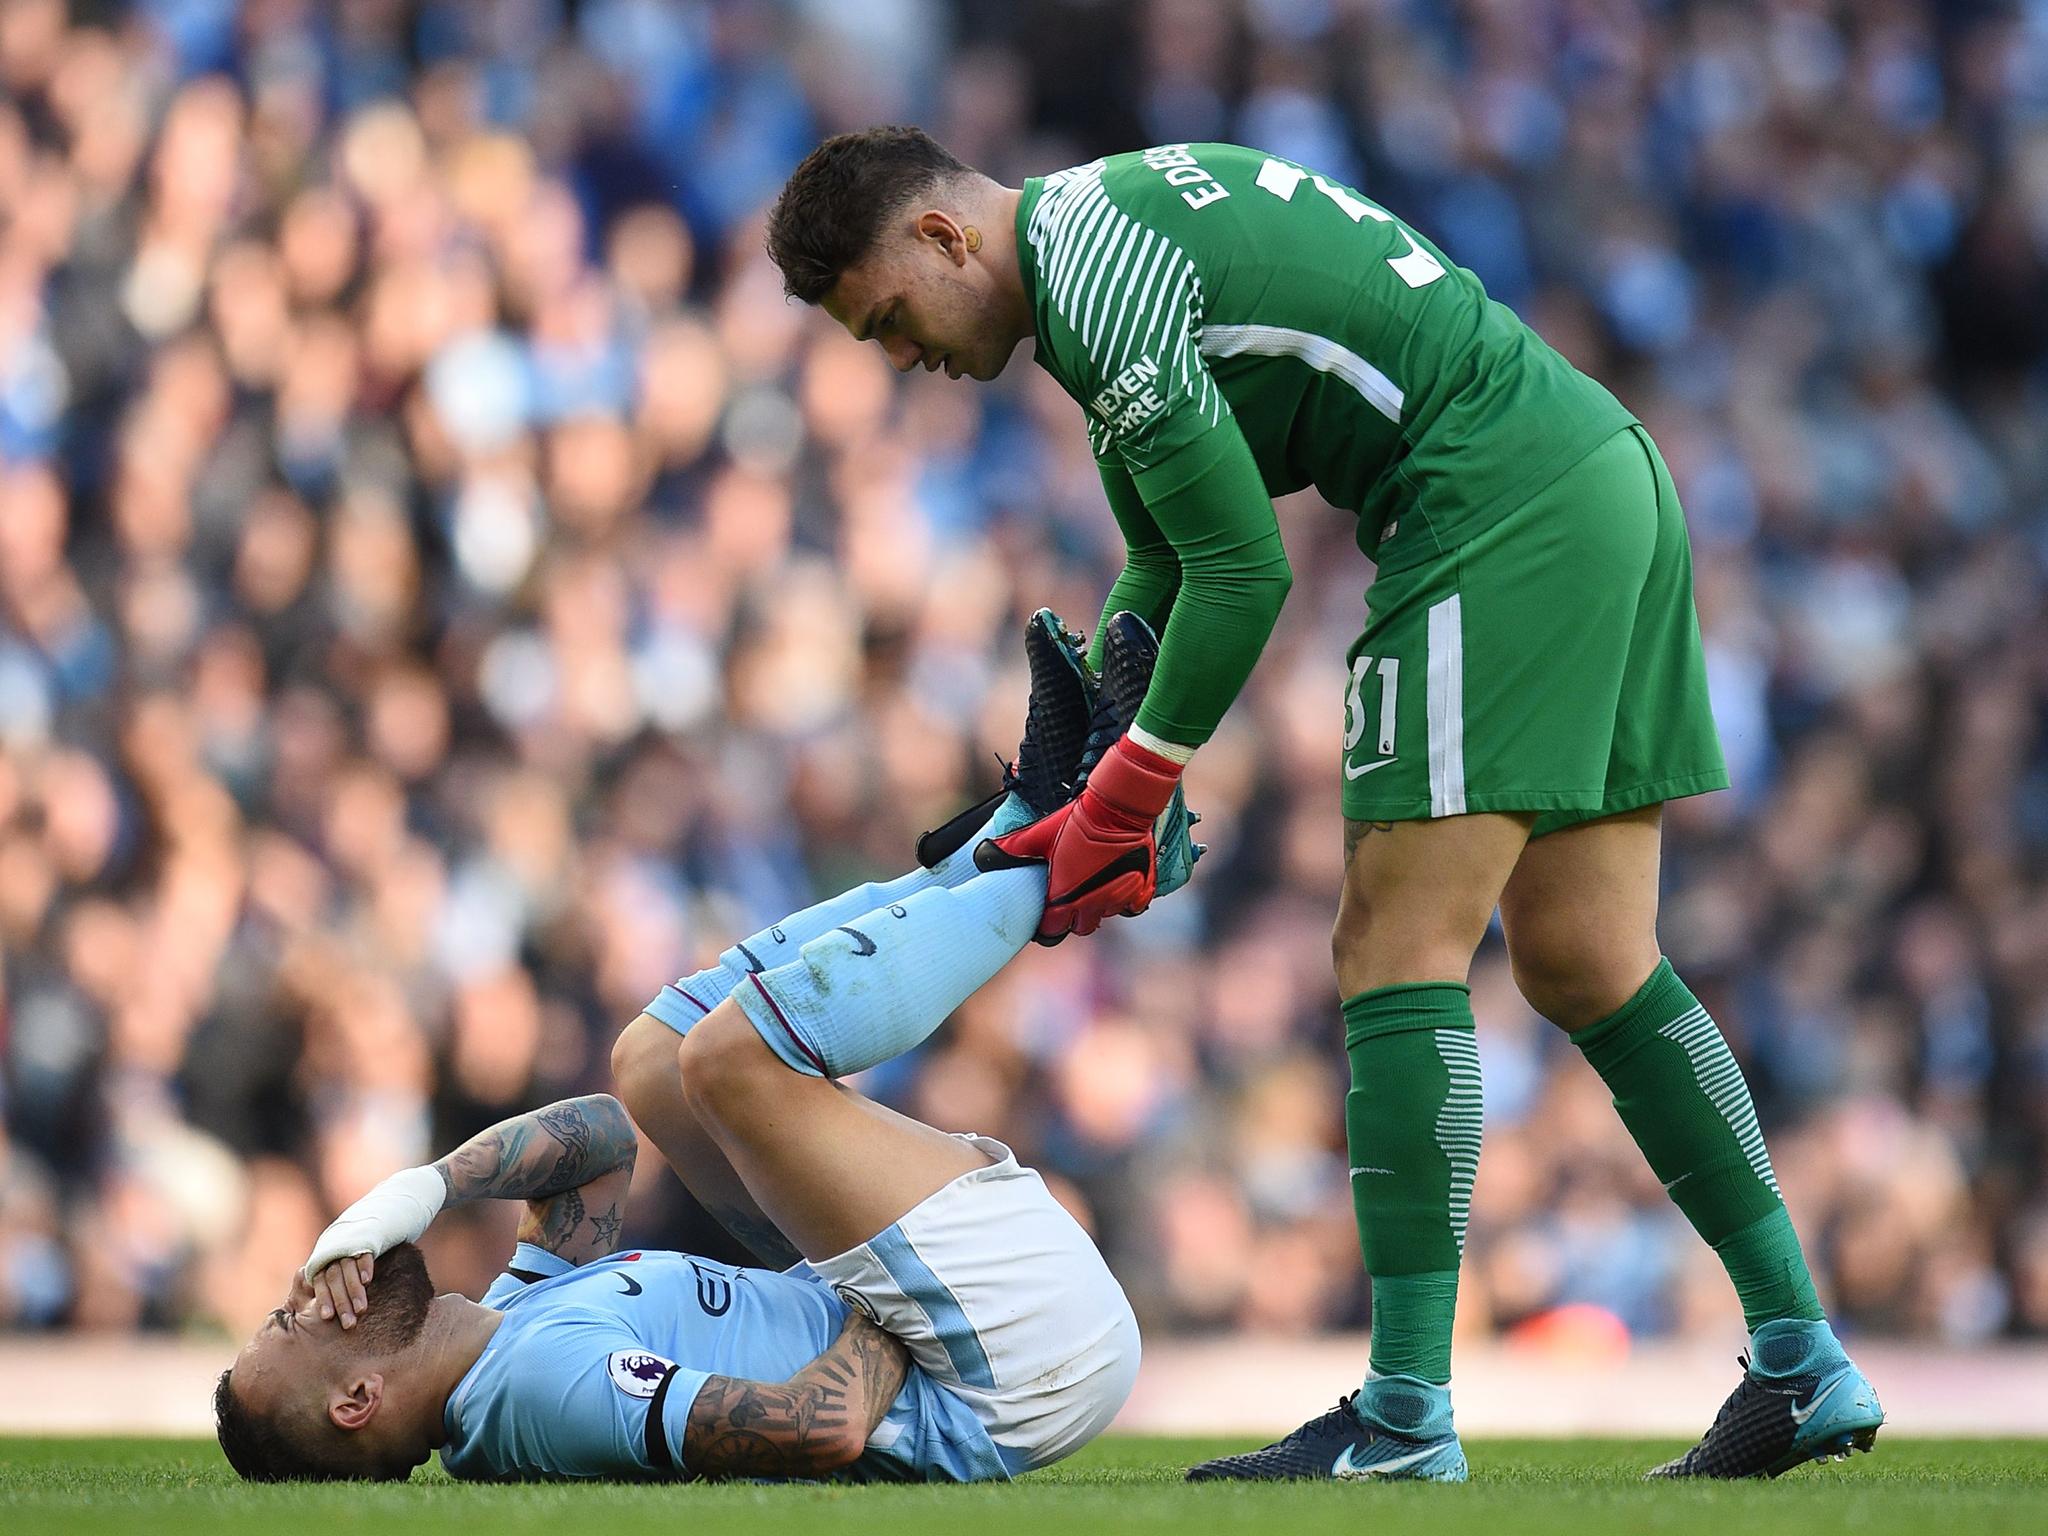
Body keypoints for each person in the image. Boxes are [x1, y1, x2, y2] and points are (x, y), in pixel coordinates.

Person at [759, 126, 1883, 1482]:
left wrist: (1125, 792)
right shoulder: (1090, 243)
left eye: (888, 317)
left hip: (1490, 507)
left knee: (1390, 950)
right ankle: (1801, 1360)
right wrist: (1063, 773)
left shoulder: (1093, 284)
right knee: (1591, 961)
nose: (899, 355)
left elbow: (1242, 575)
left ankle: (1406, 1416)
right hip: (1594, 471)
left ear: (943, 237)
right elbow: (1161, 568)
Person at [214, 612, 1176, 1484]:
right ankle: (1093, 858)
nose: (303, 1287)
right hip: (994, 1368)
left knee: (653, 1057)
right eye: (288, 1322)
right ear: (356, 1403)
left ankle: (1020, 831)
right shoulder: (528, 1396)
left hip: (969, 1324)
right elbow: (818, 1427)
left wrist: (421, 1191)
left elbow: (600, 1140)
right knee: (727, 1061)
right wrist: (878, 1305)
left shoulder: (512, 1325)